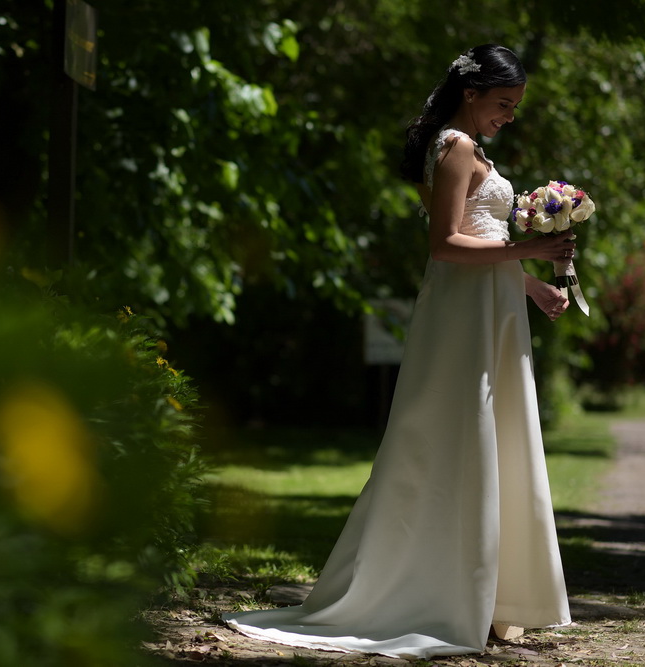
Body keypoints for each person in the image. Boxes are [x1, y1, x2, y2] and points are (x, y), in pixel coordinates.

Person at [223, 44, 573, 659]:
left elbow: (481, 240)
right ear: (471, 93)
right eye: (503, 103)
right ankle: (444, 591)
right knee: (456, 433)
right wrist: (530, 253)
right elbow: (445, 246)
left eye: (514, 107)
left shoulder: (471, 149)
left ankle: (489, 595)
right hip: (462, 317)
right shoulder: (455, 148)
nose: (509, 116)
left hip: (489, 307)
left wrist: (534, 287)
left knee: (493, 436)